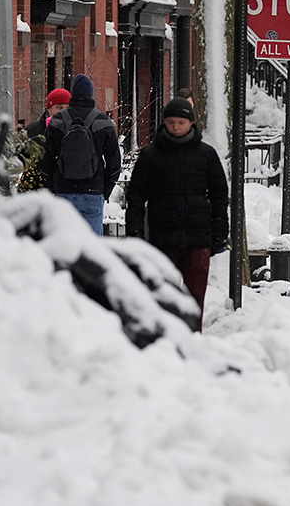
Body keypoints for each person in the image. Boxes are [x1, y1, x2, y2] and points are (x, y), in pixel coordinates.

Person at [124, 97, 229, 331]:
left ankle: (193, 338)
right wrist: (135, 231)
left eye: (181, 122)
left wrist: (220, 233)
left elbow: (220, 195)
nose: (175, 127)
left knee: (195, 299)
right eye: (171, 122)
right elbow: (136, 196)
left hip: (198, 239)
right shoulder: (151, 155)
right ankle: (167, 339)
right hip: (163, 238)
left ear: (191, 123)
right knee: (163, 296)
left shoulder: (206, 155)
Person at [40, 74, 120, 233]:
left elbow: (45, 162)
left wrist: (54, 187)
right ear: (91, 94)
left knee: (65, 247)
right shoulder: (103, 122)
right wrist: (103, 191)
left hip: (64, 193)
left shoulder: (57, 122)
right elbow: (115, 165)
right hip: (92, 193)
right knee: (92, 250)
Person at [17, 89, 71, 192]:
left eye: (67, 107)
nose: (63, 111)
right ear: (49, 108)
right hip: (36, 189)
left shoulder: (74, 131)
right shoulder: (33, 130)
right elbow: (20, 158)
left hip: (64, 189)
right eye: (59, 107)